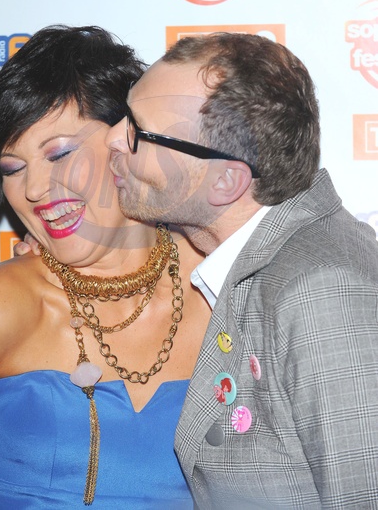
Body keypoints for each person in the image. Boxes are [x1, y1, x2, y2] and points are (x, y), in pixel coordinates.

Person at [0, 25, 211, 509]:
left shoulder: (225, 287)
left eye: (59, 153)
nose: (34, 189)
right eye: (12, 168)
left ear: (130, 139)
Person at [105, 32, 378, 509]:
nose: (112, 138)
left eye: (138, 132)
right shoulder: (260, 259)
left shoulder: (320, 291)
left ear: (226, 181)